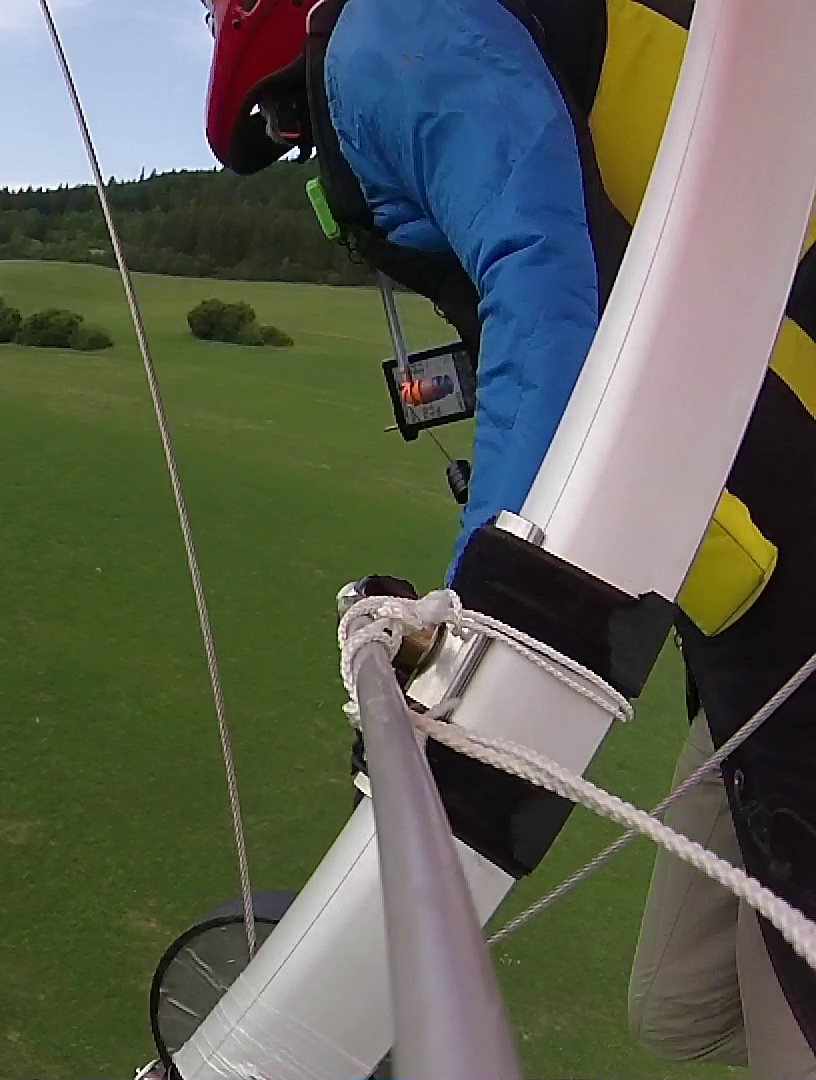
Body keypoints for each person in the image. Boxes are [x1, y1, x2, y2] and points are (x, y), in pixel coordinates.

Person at [196, 0, 816, 1072]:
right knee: (677, 1011)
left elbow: (539, 272)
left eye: (297, 130)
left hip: (789, 551)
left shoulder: (383, 28)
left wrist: (492, 612)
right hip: (752, 589)